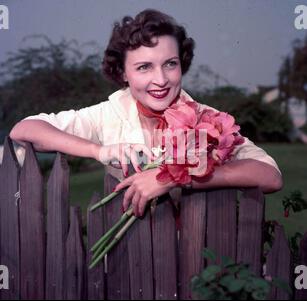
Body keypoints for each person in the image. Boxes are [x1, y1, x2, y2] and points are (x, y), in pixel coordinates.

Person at [9, 9, 282, 217]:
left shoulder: (206, 119)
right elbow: (24, 130)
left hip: (197, 255)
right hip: (127, 260)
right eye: (144, 67)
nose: (161, 79)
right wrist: (99, 151)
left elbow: (270, 176)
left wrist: (177, 180)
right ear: (122, 73)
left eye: (170, 64)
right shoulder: (108, 114)